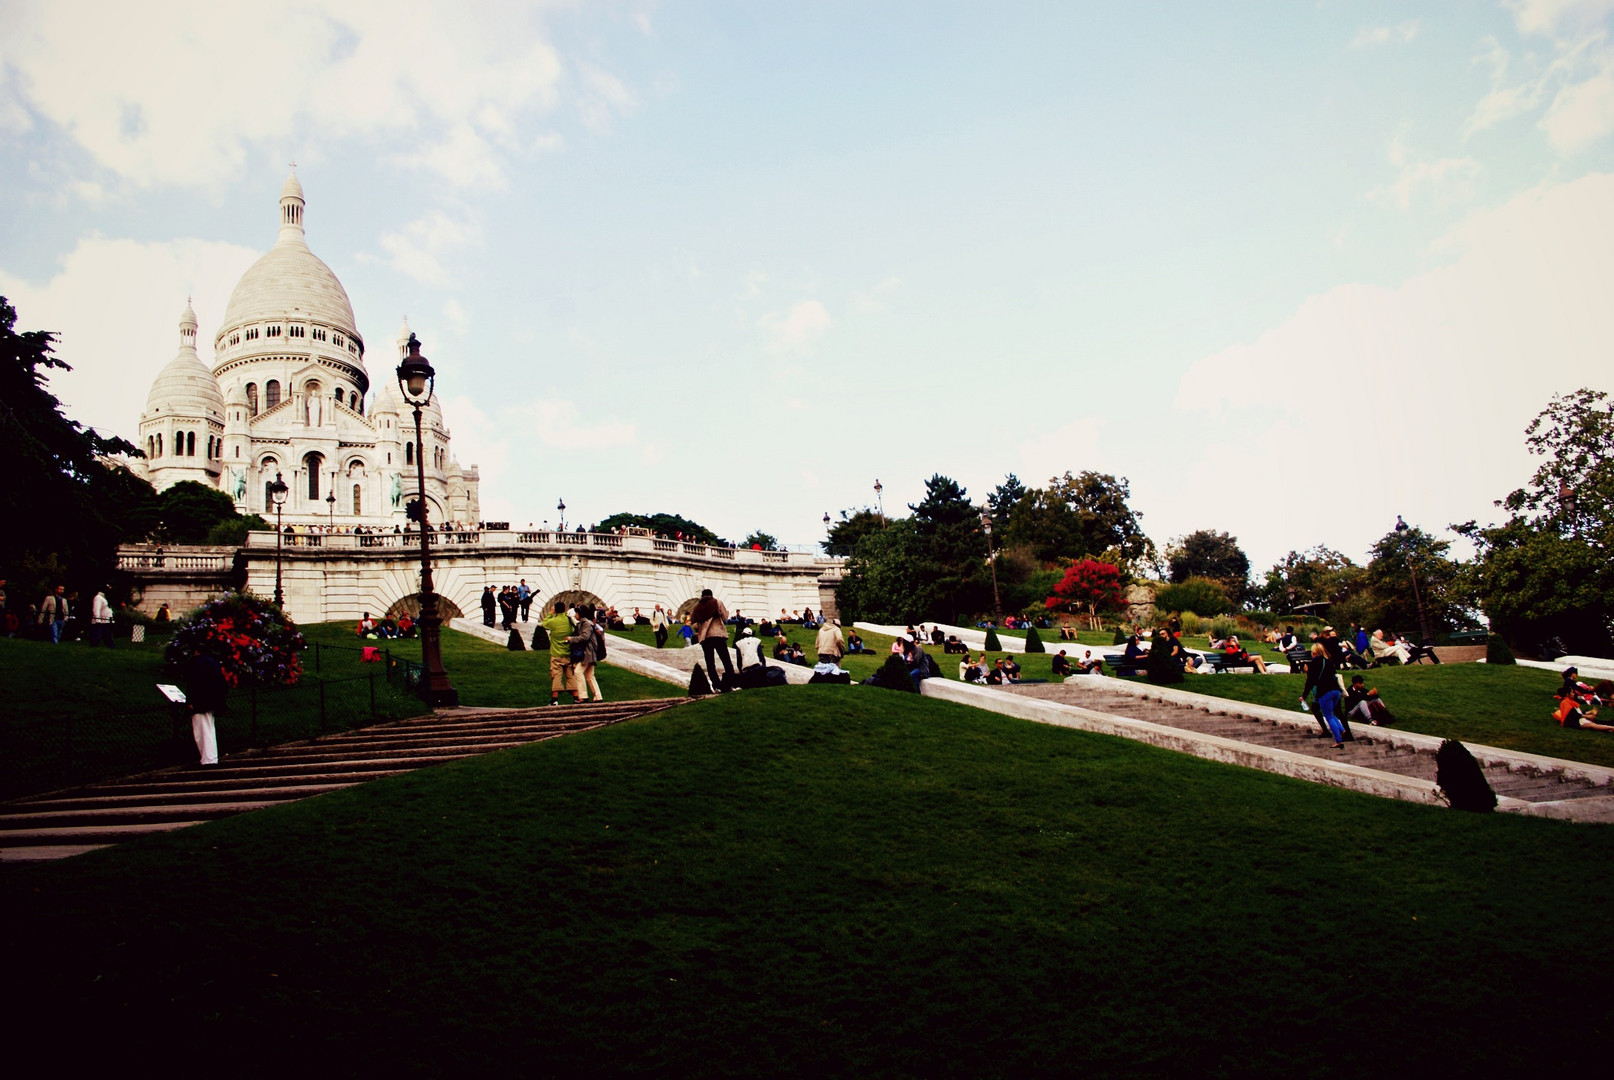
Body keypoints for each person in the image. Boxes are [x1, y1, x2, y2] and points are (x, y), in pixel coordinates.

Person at [1301, 643, 1347, 748]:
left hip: (1325, 692)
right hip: (1336, 691)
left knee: (1329, 716)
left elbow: (1310, 682)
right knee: (1331, 713)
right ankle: (1341, 729)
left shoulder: (1313, 664)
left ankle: (1339, 741)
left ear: (1314, 653)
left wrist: (1304, 696)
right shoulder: (1328, 662)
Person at [185, 650, 227, 765]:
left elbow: (194, 683)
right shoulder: (211, 661)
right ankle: (210, 758)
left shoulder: (197, 663)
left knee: (202, 732)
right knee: (208, 730)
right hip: (211, 702)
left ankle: (208, 759)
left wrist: (191, 700)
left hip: (201, 703)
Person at [690, 589, 735, 689]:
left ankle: (716, 685)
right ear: (711, 595)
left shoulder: (697, 607)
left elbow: (695, 625)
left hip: (705, 638)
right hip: (718, 635)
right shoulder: (717, 602)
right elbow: (724, 618)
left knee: (710, 663)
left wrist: (703, 625)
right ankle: (731, 683)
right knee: (726, 660)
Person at [542, 601, 577, 706]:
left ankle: (554, 700)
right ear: (565, 609)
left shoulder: (553, 621)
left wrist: (550, 613)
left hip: (556, 653)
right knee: (571, 676)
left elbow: (544, 624)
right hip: (568, 653)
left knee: (556, 676)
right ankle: (576, 698)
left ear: (555, 609)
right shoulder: (569, 620)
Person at [568, 604, 603, 702]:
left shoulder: (586, 624)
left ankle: (583, 696)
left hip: (587, 653)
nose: (575, 615)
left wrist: (571, 639)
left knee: (578, 672)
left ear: (580, 614)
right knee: (589, 675)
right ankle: (598, 696)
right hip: (589, 653)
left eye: (576, 613)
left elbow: (585, 637)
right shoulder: (584, 623)